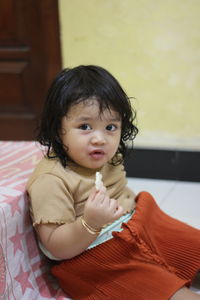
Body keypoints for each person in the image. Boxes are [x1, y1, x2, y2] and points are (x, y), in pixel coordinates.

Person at [27, 65, 200, 300]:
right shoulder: (51, 180)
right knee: (166, 291)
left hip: (137, 225)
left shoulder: (107, 155)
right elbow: (56, 248)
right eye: (84, 126)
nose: (100, 139)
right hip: (96, 258)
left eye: (110, 127)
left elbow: (121, 190)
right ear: (58, 130)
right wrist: (90, 223)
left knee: (190, 248)